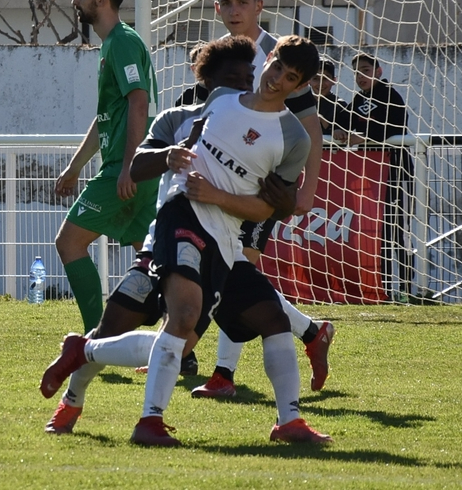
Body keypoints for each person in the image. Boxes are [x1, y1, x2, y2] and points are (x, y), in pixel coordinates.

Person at [47, 36, 332, 446]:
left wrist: (272, 198)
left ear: (298, 83)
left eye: (287, 78)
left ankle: (288, 420)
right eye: (268, 70)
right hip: (173, 230)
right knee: (135, 324)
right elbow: (139, 167)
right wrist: (170, 156)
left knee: (268, 318)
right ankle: (83, 402)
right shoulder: (192, 114)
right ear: (209, 79)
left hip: (225, 245)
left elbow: (270, 208)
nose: (263, 80)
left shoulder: (290, 136)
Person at [187, 0, 333, 400]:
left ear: (259, 5)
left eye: (243, 2)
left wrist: (304, 191)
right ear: (217, 9)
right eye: (227, 4)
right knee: (230, 272)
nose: (235, 11)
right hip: (224, 185)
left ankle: (222, 375)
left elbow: (311, 129)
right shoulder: (223, 56)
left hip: (265, 189)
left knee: (237, 269)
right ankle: (311, 331)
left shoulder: (279, 56)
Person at [54, 0, 158, 334]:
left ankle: (95, 338)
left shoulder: (123, 42)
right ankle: (182, 348)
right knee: (152, 260)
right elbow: (108, 118)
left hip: (125, 169)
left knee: (69, 243)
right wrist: (76, 166)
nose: (73, 1)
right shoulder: (113, 44)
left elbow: (139, 102)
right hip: (132, 167)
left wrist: (128, 165)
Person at [333, 53, 412, 296]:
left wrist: (364, 135)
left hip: (394, 171)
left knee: (395, 230)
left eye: (366, 70)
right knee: (374, 232)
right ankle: (383, 288)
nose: (361, 76)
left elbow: (396, 127)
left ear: (378, 71)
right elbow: (343, 121)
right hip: (368, 175)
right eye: (356, 72)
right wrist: (339, 131)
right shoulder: (357, 99)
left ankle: (408, 288)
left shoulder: (391, 96)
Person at [311, 56, 348, 136]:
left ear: (334, 80)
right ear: (308, 80)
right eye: (315, 78)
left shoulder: (340, 106)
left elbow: (342, 135)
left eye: (325, 78)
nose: (320, 83)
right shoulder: (301, 103)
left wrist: (322, 120)